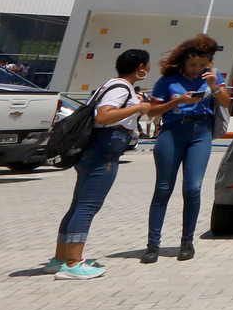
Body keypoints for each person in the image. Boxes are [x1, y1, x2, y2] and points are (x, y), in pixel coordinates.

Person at [46, 50, 189, 278]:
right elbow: (104, 116)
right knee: (87, 207)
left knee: (78, 205)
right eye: (147, 66)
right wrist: (138, 108)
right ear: (140, 67)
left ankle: (61, 258)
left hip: (94, 151)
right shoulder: (121, 88)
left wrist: (145, 104)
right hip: (103, 152)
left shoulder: (112, 85)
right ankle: (73, 264)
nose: (149, 69)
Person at [146, 35, 231, 262]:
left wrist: (214, 86)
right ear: (183, 61)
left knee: (193, 188)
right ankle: (153, 244)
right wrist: (178, 101)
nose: (196, 69)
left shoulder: (213, 77)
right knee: (163, 188)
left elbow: (226, 102)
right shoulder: (167, 81)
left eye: (202, 65)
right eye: (192, 64)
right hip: (172, 133)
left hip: (201, 133)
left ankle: (187, 241)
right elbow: (152, 112)